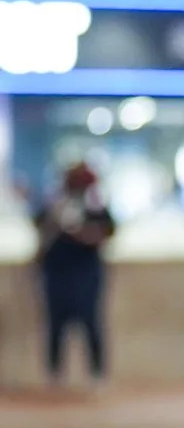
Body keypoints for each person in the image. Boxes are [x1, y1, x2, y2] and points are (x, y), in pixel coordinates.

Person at [32, 157, 113, 384]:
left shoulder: (95, 206)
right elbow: (38, 226)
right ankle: (55, 377)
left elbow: (106, 232)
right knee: (56, 325)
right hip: (57, 273)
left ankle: (97, 377)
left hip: (86, 274)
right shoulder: (54, 205)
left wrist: (81, 232)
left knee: (90, 323)